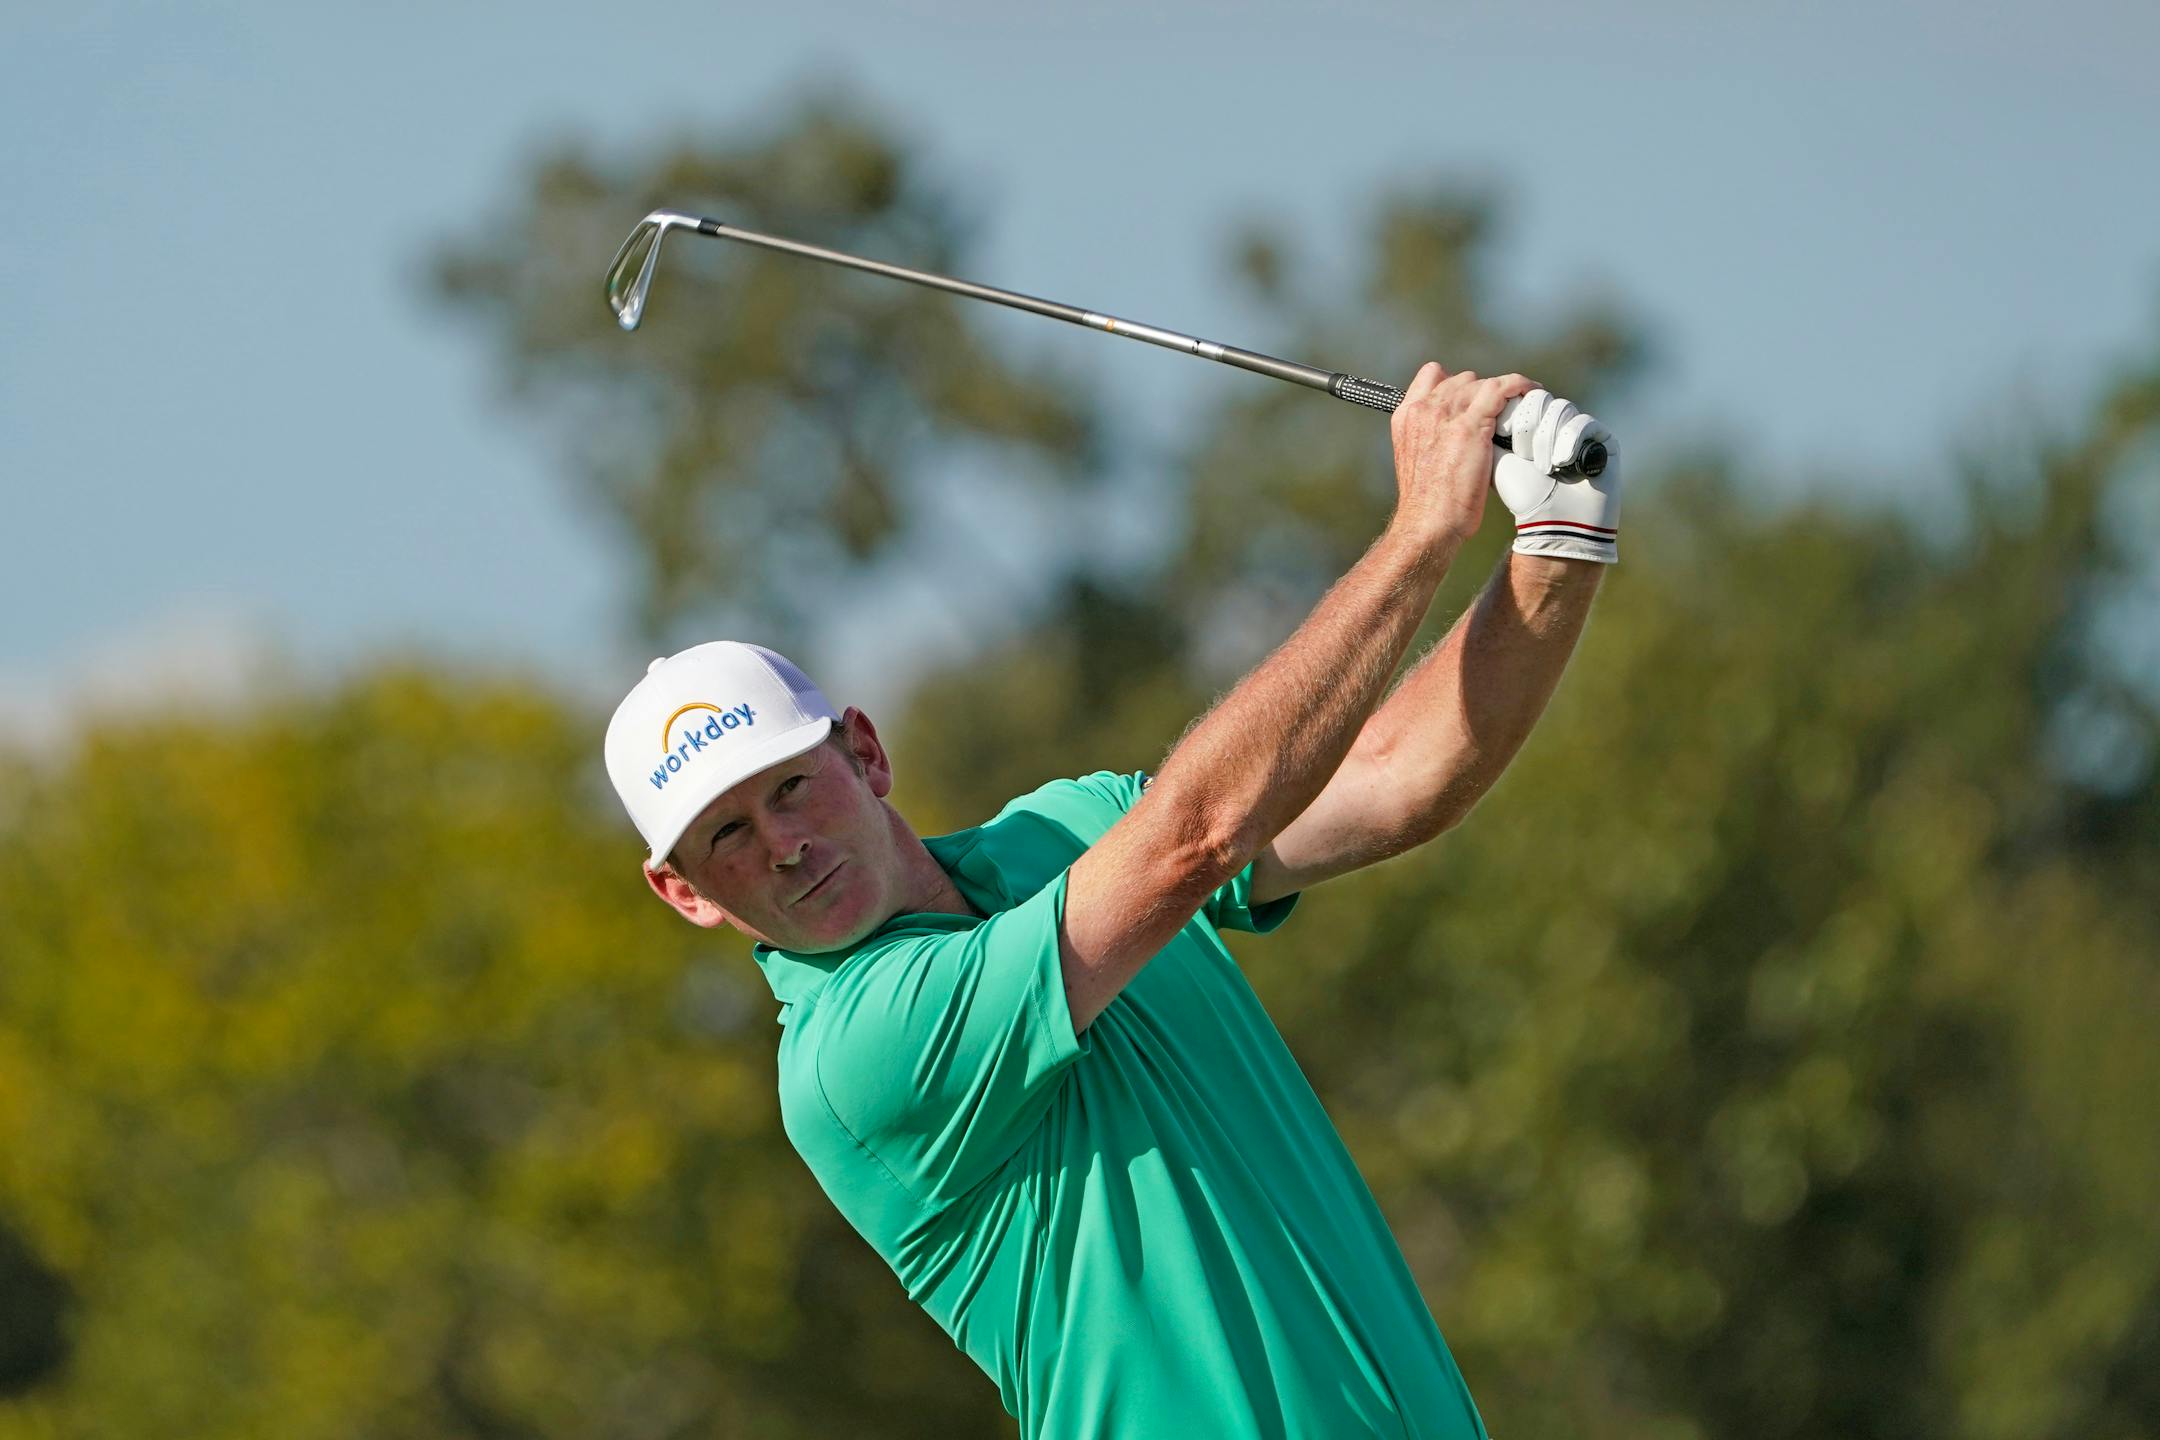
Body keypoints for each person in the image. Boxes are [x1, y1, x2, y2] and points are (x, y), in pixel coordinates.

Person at [602, 365, 1619, 1439]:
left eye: (791, 787)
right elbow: (1194, 836)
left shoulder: (1073, 830)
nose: (786, 846)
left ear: (865, 753)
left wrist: (1557, 546)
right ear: (685, 893)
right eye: (728, 837)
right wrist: (1422, 530)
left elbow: (1397, 778)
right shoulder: (853, 1058)